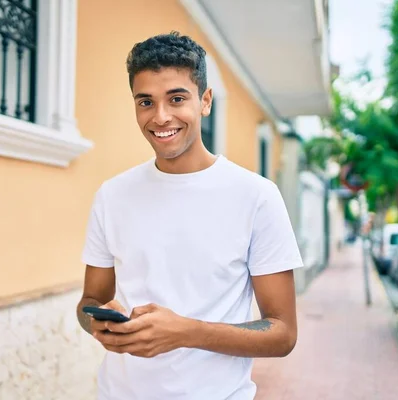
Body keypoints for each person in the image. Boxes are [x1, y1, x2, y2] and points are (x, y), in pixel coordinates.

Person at [76, 31, 303, 400]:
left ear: (205, 101)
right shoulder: (112, 195)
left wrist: (187, 332)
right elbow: (90, 300)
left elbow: (283, 334)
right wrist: (97, 323)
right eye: (145, 102)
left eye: (177, 98)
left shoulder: (256, 196)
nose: (160, 116)